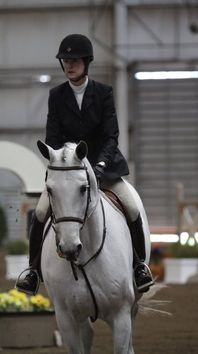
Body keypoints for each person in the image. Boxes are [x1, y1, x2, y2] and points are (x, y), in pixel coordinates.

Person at [16, 34, 154, 295]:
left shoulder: (103, 93)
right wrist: (59, 161)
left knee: (133, 207)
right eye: (66, 61)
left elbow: (111, 136)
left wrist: (99, 165)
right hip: (68, 173)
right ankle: (33, 271)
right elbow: (53, 137)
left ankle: (139, 267)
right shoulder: (56, 96)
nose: (70, 65)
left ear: (86, 62)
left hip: (104, 168)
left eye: (75, 61)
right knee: (41, 213)